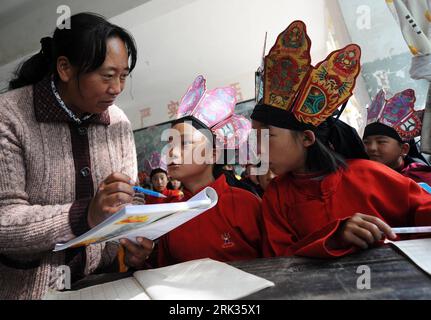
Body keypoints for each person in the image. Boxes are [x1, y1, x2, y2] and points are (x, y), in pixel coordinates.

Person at [0, 13, 153, 300]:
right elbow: (4, 222)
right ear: (65, 68)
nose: (117, 89)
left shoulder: (118, 123)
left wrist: (134, 239)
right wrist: (85, 215)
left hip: (103, 286)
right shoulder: (9, 117)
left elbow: (131, 199)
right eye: (107, 76)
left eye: (123, 77)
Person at [251, 21, 431, 259]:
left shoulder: (369, 174)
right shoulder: (276, 197)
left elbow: (422, 208)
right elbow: (278, 260)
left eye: (267, 136)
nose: (257, 150)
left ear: (306, 138)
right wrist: (333, 237)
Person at [156, 75, 264, 266]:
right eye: (170, 143)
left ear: (213, 155)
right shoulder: (171, 213)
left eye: (185, 142)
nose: (171, 151)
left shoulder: (245, 204)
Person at [363, 89, 431, 184]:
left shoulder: (420, 180)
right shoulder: (361, 173)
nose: (371, 148)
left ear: (404, 149)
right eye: (366, 142)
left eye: (381, 142)